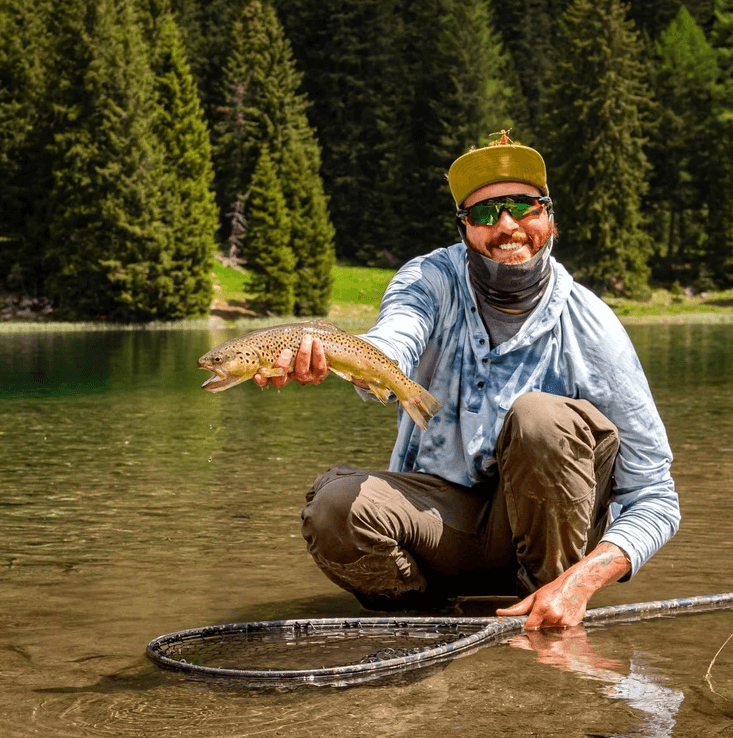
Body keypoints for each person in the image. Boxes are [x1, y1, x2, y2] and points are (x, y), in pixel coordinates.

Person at [254, 132, 680, 630]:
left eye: (522, 206)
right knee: (334, 510)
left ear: (548, 216)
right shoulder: (427, 280)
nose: (506, 225)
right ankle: (426, 616)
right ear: (463, 229)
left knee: (540, 418)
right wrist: (339, 356)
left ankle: (546, 607)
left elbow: (655, 495)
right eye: (484, 213)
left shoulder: (592, 325)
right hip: (440, 526)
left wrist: (581, 582)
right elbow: (395, 341)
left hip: (551, 545)